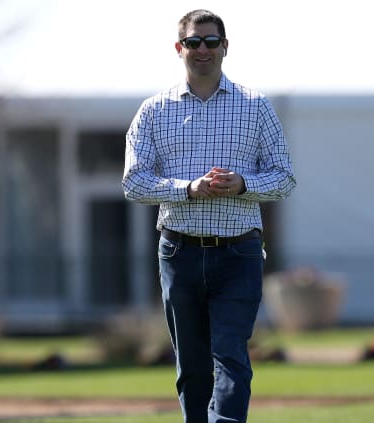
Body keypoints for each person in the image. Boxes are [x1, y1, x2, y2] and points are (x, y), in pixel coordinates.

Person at [122, 9, 296, 423]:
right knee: (193, 367)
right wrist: (188, 188)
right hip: (179, 252)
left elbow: (284, 179)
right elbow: (133, 183)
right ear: (179, 48)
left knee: (232, 356)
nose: (203, 49)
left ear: (225, 47)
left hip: (239, 253)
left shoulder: (256, 107)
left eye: (211, 41)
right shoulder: (153, 110)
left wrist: (242, 184)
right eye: (194, 42)